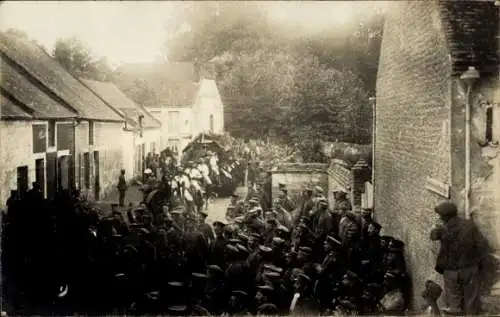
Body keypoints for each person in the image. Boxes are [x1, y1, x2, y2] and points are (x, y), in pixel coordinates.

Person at [430, 201, 487, 315]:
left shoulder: (442, 229)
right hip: (470, 268)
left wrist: (435, 226)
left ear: (444, 216)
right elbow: (482, 245)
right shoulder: (469, 225)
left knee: (454, 305)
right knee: (471, 302)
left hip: (451, 271)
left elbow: (433, 236)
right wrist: (478, 262)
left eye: (440, 215)